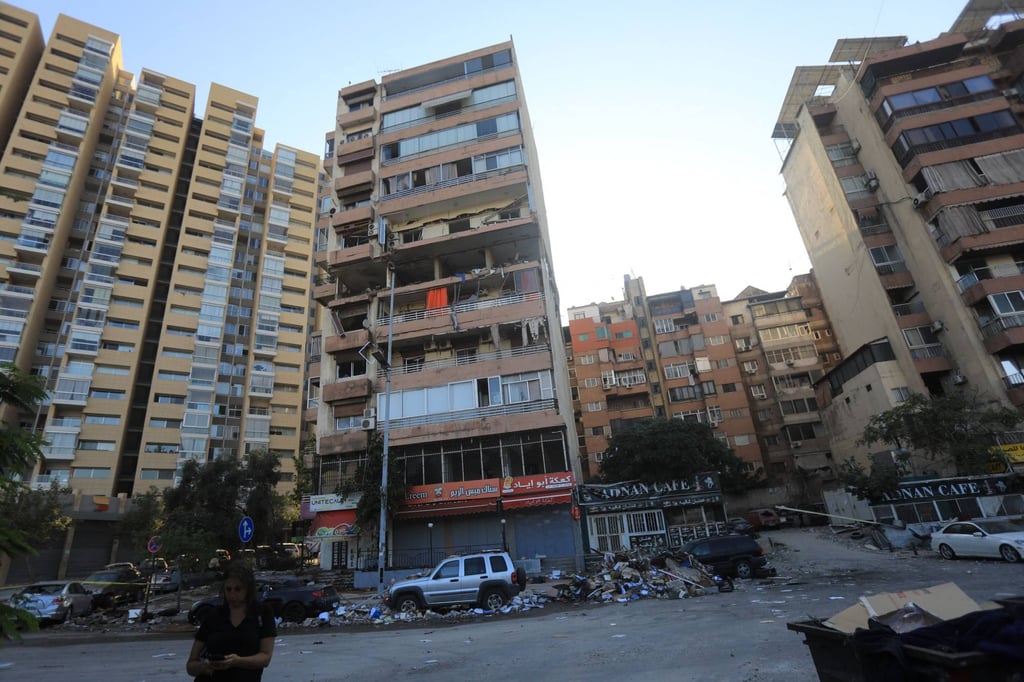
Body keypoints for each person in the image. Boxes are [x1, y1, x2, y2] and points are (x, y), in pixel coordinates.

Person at [186, 561, 276, 681]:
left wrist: (237, 661)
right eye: (228, 589)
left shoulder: (262, 613)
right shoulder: (213, 615)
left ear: (248, 589)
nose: (232, 594)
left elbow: (265, 658)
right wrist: (207, 666)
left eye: (238, 589)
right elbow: (191, 665)